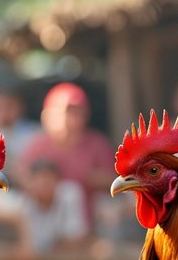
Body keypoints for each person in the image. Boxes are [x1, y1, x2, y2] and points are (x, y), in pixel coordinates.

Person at [18, 82, 115, 234]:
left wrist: (89, 177)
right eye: (64, 112)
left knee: (73, 193)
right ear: (47, 115)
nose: (70, 118)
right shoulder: (38, 144)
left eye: (76, 112)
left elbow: (114, 180)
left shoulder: (97, 143)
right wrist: (42, 186)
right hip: (46, 213)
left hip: (89, 216)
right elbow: (22, 175)